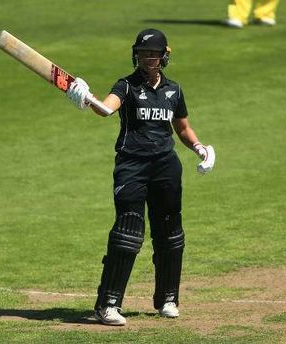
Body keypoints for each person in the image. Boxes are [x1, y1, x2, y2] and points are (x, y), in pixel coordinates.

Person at [65, 28, 215, 326]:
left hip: (166, 166)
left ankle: (168, 299)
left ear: (163, 56)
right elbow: (106, 110)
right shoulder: (126, 86)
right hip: (132, 166)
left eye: (153, 54)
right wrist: (87, 99)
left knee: (170, 232)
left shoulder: (173, 90)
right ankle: (107, 305)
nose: (147, 58)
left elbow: (182, 128)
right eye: (143, 53)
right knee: (127, 231)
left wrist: (201, 149)